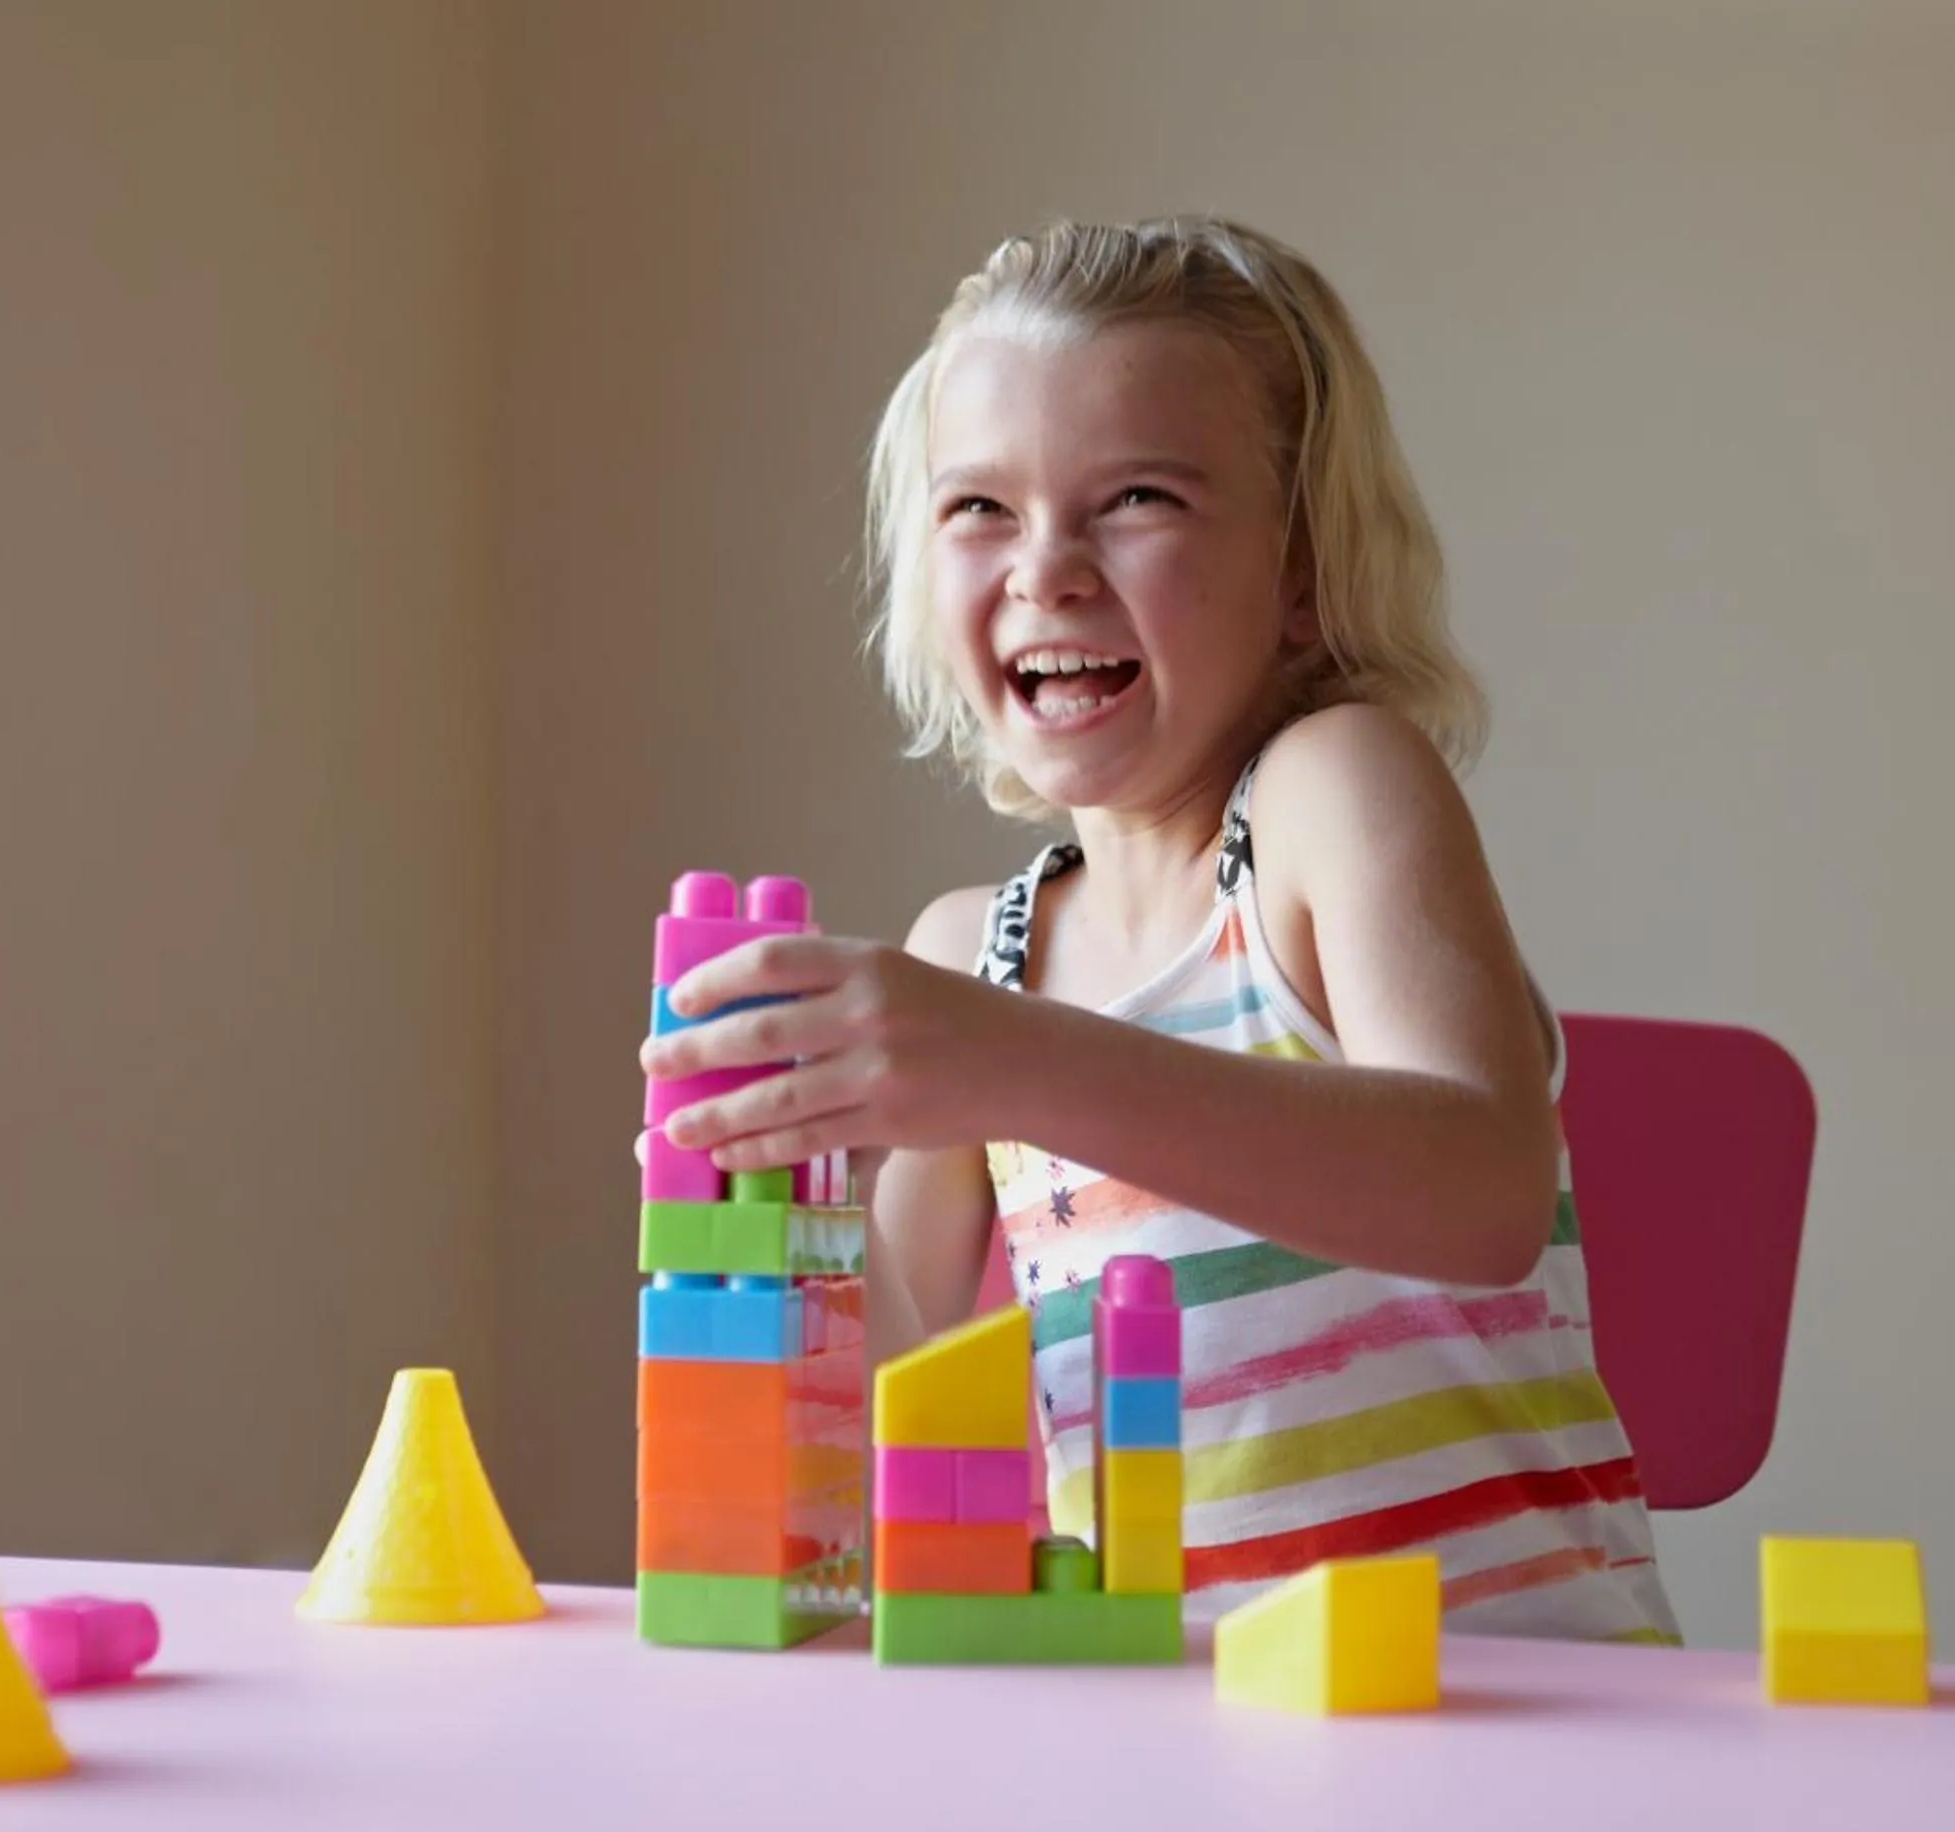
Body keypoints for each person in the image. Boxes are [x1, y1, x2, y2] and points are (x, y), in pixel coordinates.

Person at [638, 216, 1677, 1641]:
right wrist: (771, 1225)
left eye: (1135, 498)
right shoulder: (974, 955)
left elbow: (1486, 1189)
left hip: (1509, 1712)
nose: (1046, 568)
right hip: (1179, 1742)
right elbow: (885, 1397)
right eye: (979, 510)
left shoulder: (1334, 791)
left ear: (1302, 568)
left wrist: (1019, 1065)